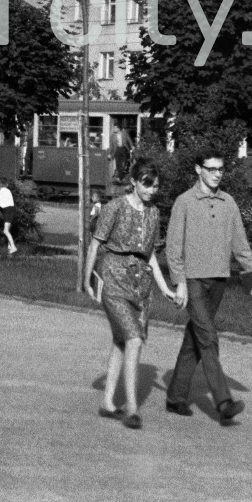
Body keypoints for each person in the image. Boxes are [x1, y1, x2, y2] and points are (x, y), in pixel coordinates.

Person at [164, 154, 252, 425]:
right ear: (198, 170)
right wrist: (179, 281)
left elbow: (241, 243)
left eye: (221, 169)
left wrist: (251, 279)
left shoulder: (228, 202)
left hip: (219, 279)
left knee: (195, 337)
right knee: (208, 335)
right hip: (193, 279)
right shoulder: (184, 202)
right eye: (211, 169)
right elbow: (173, 246)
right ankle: (223, 401)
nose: (217, 174)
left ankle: (176, 396)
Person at [82, 166, 178, 429]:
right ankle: (132, 409)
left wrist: (165, 288)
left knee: (121, 342)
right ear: (134, 181)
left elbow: (149, 256)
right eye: (147, 184)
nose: (151, 190)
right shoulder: (114, 208)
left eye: (155, 186)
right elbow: (96, 243)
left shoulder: (154, 213)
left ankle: (108, 403)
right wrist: (86, 279)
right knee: (134, 339)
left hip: (141, 287)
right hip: (113, 280)